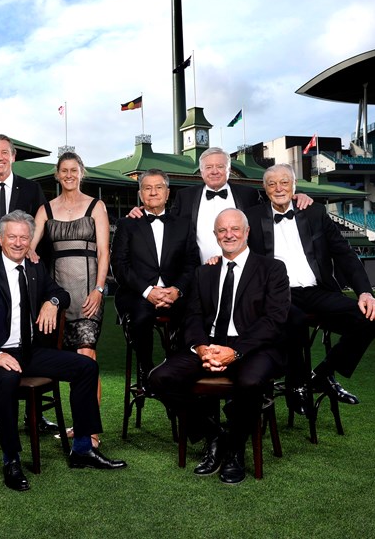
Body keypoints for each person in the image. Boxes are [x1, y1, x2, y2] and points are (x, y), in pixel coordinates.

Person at [0, 210, 127, 492]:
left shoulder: (35, 269)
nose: (18, 242)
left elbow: (62, 294)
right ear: (1, 239)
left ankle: (83, 448)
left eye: (24, 237)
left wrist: (51, 300)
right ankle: (11, 459)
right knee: (8, 379)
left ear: (29, 241)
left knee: (85, 367)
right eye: (11, 236)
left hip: (28, 352)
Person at [148, 208, 290, 485]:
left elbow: (274, 320)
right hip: (210, 343)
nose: (229, 235)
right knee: (159, 378)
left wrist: (235, 352)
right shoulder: (205, 273)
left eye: (235, 229)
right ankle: (215, 434)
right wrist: (201, 348)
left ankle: (235, 451)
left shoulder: (272, 268)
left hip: (253, 347)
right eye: (222, 230)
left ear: (247, 232)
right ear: (215, 236)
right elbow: (193, 317)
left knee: (249, 381)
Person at [245, 163, 375, 412]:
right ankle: (296, 384)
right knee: (294, 319)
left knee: (371, 318)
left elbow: (344, 254)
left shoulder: (315, 212)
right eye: (272, 183)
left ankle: (321, 375)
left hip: (316, 291)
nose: (279, 188)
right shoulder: (252, 217)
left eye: (285, 182)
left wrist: (365, 292)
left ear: (294, 186)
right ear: (264, 188)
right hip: (278, 295)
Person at [0, 133, 55, 437]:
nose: (0, 158)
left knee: (30, 338)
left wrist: (33, 247)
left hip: (22, 266)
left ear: (14, 157)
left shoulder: (31, 189)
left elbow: (42, 221)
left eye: (5, 153)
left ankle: (37, 415)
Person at [29, 152, 110, 447]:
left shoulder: (96, 206)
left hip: (88, 295)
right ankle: (75, 424)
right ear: (57, 174)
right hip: (58, 297)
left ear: (81, 172)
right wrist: (32, 253)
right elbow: (28, 244)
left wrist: (99, 290)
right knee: (67, 362)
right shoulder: (45, 210)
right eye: (64, 170)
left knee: (87, 357)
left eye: (74, 170)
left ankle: (88, 429)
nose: (69, 175)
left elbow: (104, 252)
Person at [112, 168, 201, 376]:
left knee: (195, 315)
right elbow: (119, 266)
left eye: (158, 187)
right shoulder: (126, 224)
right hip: (137, 293)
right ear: (140, 194)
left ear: (167, 193)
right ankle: (147, 370)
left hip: (174, 293)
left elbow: (191, 264)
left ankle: (179, 370)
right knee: (141, 316)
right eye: (147, 188)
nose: (153, 192)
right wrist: (147, 291)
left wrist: (177, 290)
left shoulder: (183, 225)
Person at [169, 147, 312, 262]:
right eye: (208, 167)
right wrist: (146, 210)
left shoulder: (248, 194)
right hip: (198, 273)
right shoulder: (185, 196)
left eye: (220, 166)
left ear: (229, 170)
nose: (214, 171)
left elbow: (271, 209)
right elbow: (169, 226)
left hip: (243, 273)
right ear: (201, 171)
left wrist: (294, 197)